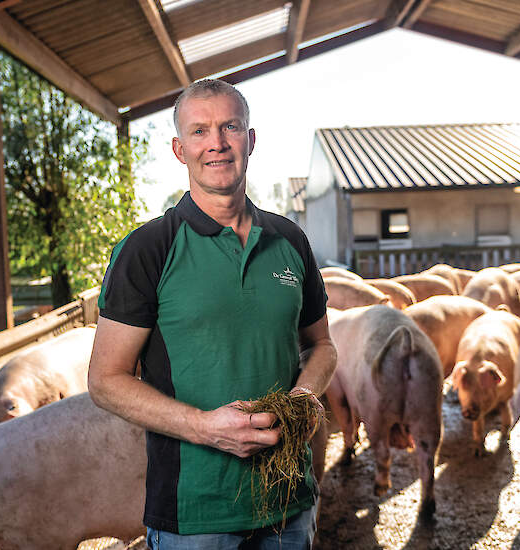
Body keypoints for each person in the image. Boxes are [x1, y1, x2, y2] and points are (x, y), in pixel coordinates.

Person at [88, 78, 337, 550]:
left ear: (251, 139)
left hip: (289, 502)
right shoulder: (148, 249)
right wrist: (205, 428)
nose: (217, 144)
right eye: (200, 132)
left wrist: (305, 396)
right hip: (195, 514)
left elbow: (321, 345)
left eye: (230, 127)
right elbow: (105, 380)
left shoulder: (290, 241)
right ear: (180, 150)